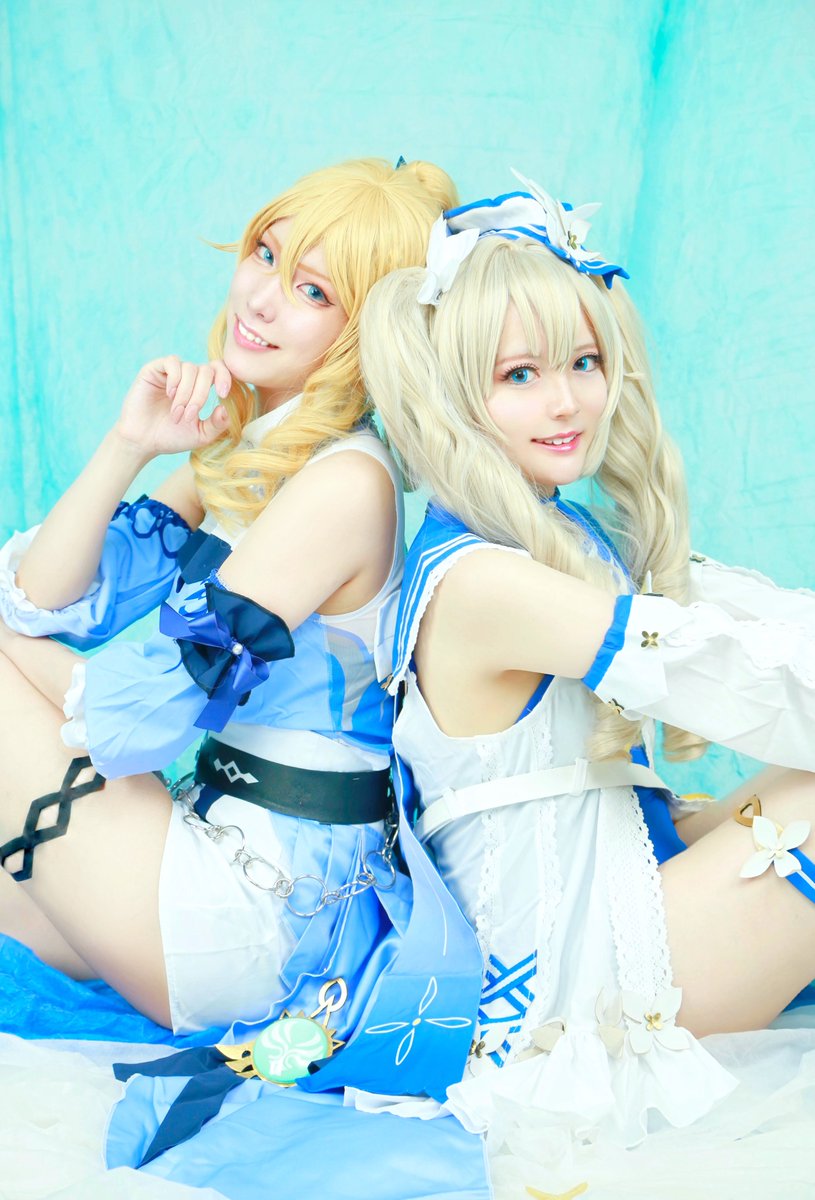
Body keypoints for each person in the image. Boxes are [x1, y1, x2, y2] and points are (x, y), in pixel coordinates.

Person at [356, 174, 815, 1193]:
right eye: (518, 375)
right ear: (454, 391)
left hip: (617, 897)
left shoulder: (558, 532)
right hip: (567, 998)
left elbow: (749, 624)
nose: (564, 401)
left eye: (583, 361)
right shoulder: (482, 581)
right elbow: (722, 673)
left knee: (792, 775)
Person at [0, 156, 459, 1041]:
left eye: (312, 291)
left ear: (365, 332)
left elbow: (139, 718)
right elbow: (46, 600)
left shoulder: (346, 483)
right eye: (264, 255)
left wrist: (8, 652)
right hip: (219, 844)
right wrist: (131, 445)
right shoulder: (251, 447)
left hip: (266, 915)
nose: (260, 298)